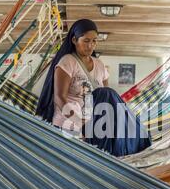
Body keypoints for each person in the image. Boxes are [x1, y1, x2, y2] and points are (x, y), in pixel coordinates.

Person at [36, 19, 151, 156]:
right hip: (70, 123)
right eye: (86, 41)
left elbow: (107, 102)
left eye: (94, 41)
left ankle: (131, 145)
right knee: (106, 95)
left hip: (93, 121)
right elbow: (59, 97)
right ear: (74, 40)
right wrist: (80, 123)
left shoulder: (99, 65)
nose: (91, 45)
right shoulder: (67, 62)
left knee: (109, 98)